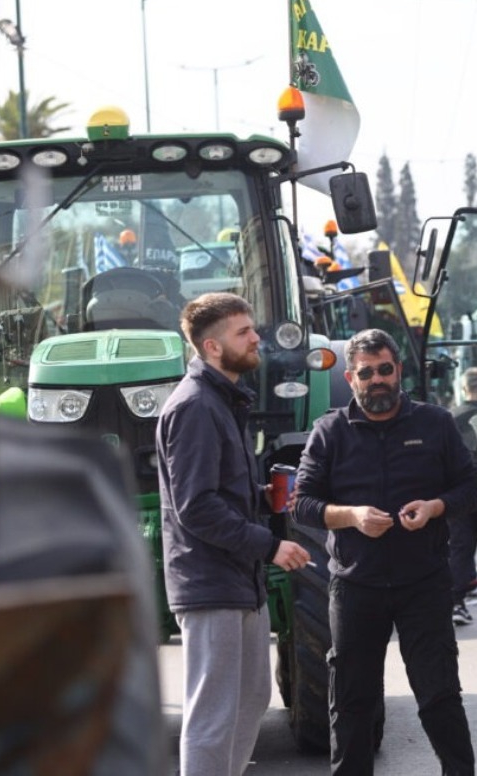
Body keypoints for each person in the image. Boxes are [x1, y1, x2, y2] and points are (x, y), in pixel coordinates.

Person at [292, 328, 477, 776]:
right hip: (356, 586)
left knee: (439, 697)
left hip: (424, 584)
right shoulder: (329, 432)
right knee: (353, 703)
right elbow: (301, 504)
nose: (376, 380)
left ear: (398, 370)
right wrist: (351, 516)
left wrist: (436, 507)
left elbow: (472, 487)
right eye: (365, 373)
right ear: (351, 378)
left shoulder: (435, 423)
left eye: (384, 370)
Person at [156, 292, 312, 776]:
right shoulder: (196, 407)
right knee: (214, 710)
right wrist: (270, 544)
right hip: (211, 582)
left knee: (251, 697)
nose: (256, 339)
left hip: (238, 578)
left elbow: (215, 491)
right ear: (212, 347)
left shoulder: (223, 400)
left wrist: (260, 495)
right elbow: (196, 508)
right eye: (243, 332)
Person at [448, 367, 477, 625]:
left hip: (461, 493)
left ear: (464, 388)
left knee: (459, 549)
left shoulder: (450, 417)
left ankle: (456, 604)